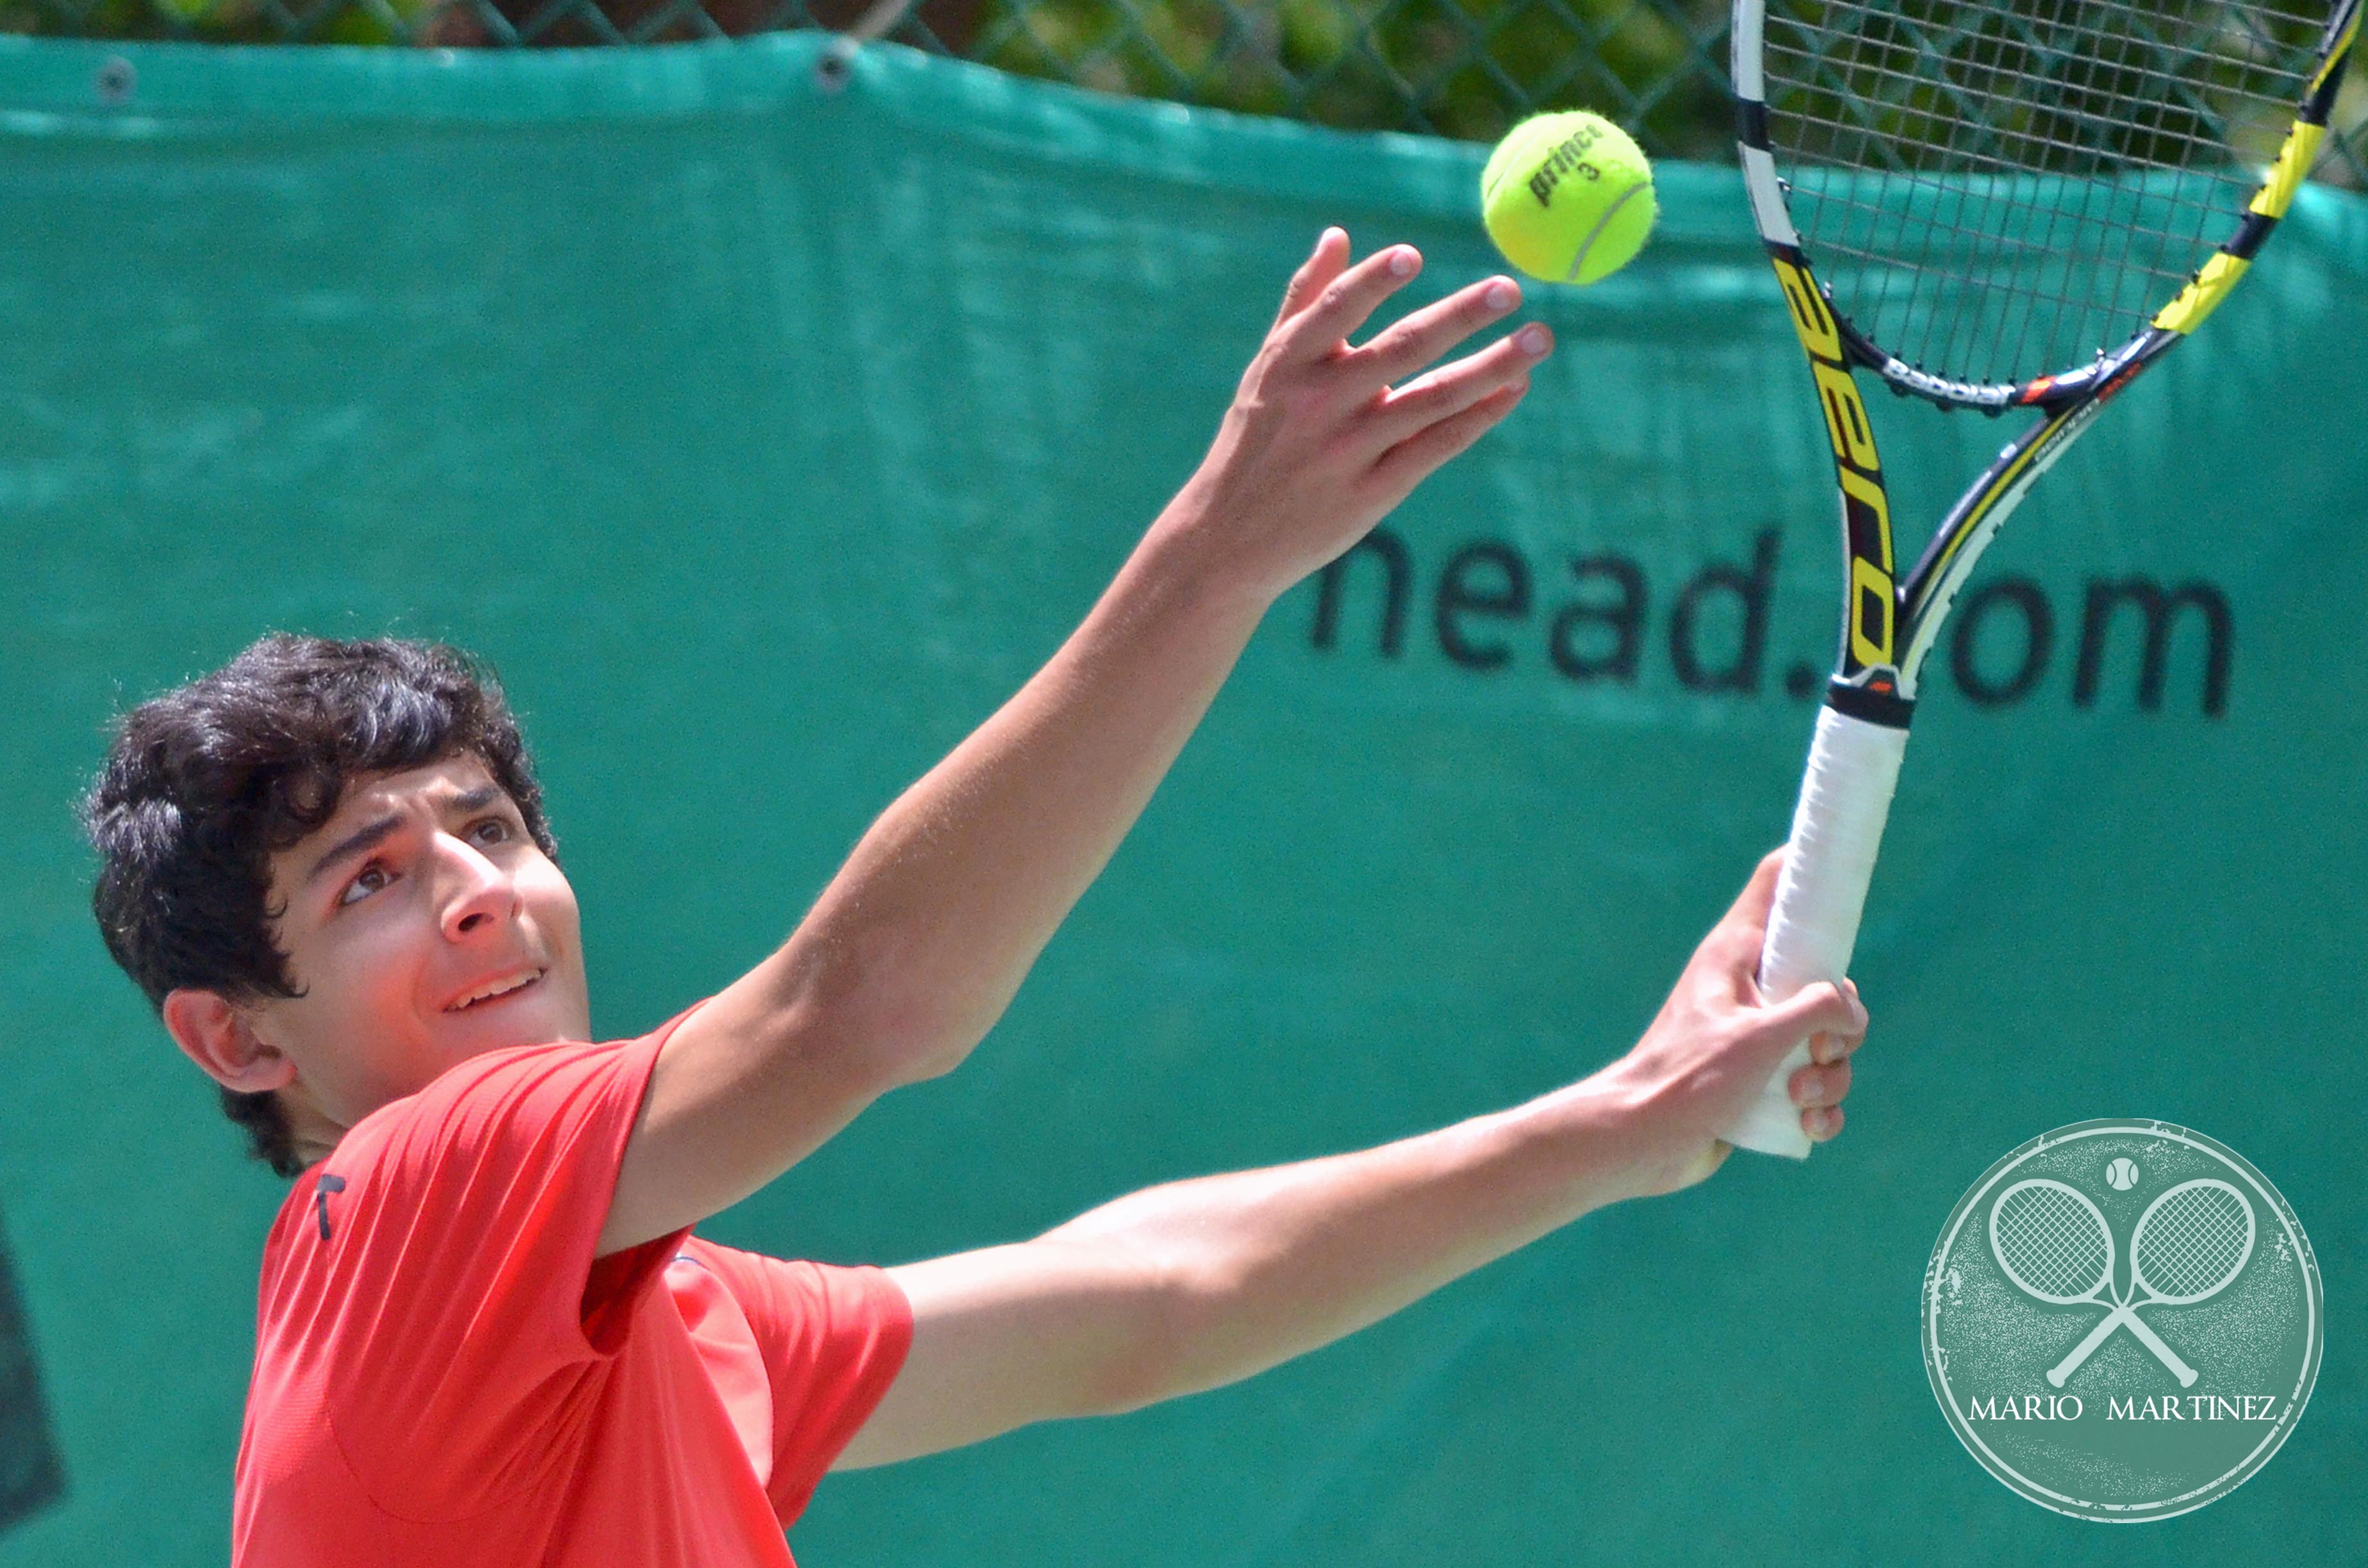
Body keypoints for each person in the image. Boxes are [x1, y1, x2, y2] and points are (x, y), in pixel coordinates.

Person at [83, 231, 1864, 1567]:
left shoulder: (664, 1316)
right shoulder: (396, 1206)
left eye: (488, 830)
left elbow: (1151, 1295)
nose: (475, 895)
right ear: (236, 1033)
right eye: (370, 881)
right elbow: (858, 1008)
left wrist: (1633, 1119)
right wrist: (1217, 558)